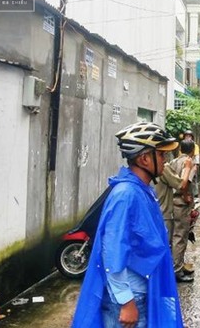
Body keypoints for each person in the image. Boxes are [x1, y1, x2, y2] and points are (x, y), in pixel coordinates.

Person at [72, 122, 183, 328]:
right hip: (130, 298)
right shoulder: (126, 194)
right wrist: (126, 301)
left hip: (140, 291)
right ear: (144, 159)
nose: (165, 160)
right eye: (160, 155)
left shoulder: (141, 190)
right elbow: (112, 250)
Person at [167, 140, 197, 283]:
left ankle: (176, 265)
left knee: (173, 236)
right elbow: (186, 183)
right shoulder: (190, 163)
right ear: (192, 150)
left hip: (172, 202)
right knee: (180, 237)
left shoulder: (173, 162)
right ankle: (177, 270)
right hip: (182, 203)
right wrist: (186, 197)